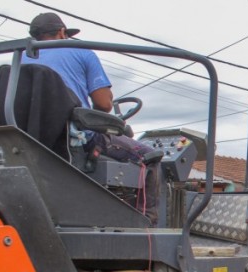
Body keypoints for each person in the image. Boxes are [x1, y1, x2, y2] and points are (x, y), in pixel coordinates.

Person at [22, 12, 159, 223]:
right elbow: (104, 104)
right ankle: (147, 222)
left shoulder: (23, 57)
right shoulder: (81, 52)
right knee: (149, 156)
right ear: (61, 32)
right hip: (77, 138)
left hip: (35, 138)